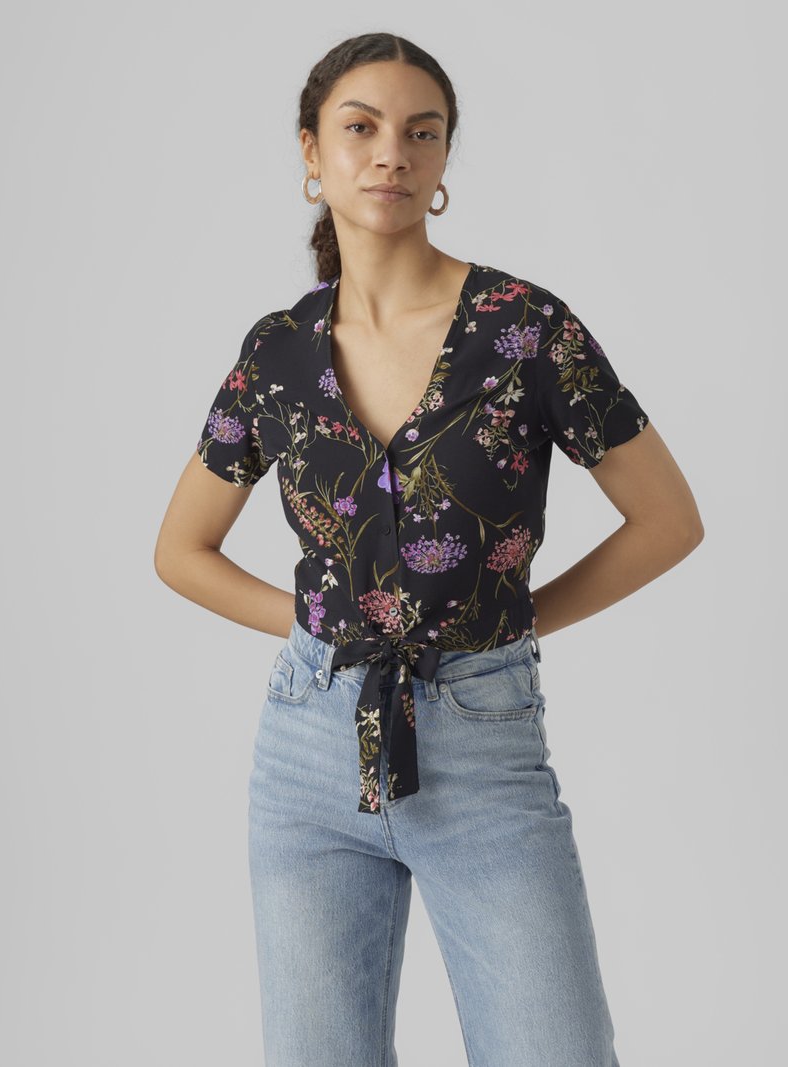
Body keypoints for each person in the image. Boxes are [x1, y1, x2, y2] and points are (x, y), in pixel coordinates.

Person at [154, 31, 704, 1067]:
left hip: (482, 737)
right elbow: (181, 548)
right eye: (360, 128)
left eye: (421, 132)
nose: (390, 155)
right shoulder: (276, 351)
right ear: (311, 151)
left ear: (445, 159)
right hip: (307, 749)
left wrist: (510, 621)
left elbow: (668, 520)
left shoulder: (525, 330)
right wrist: (318, 629)